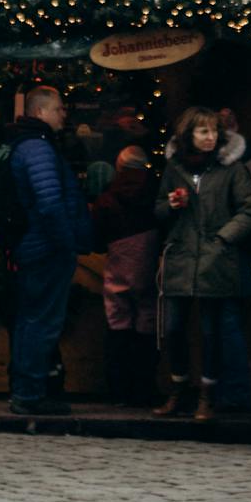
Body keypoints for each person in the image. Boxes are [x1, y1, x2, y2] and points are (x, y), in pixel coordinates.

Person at [153, 105, 251, 421]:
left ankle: (206, 395)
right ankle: (179, 388)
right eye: (203, 132)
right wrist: (170, 205)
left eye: (214, 132)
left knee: (211, 332)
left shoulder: (231, 169)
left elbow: (248, 209)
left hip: (215, 260)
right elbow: (157, 209)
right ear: (189, 135)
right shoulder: (174, 168)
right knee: (173, 328)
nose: (210, 137)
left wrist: (223, 238)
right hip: (181, 257)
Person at [7, 86, 92, 416]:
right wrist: (67, 242)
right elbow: (50, 203)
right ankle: (29, 393)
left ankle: (25, 389)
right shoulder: (38, 149)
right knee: (41, 321)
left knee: (31, 319)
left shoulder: (28, 146)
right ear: (41, 112)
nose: (64, 114)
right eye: (58, 109)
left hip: (35, 246)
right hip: (46, 248)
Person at [90, 144, 160, 407]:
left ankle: (118, 390)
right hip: (149, 270)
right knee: (147, 325)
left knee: (118, 324)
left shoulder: (108, 198)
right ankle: (144, 389)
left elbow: (96, 239)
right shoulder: (157, 194)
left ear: (119, 168)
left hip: (118, 270)